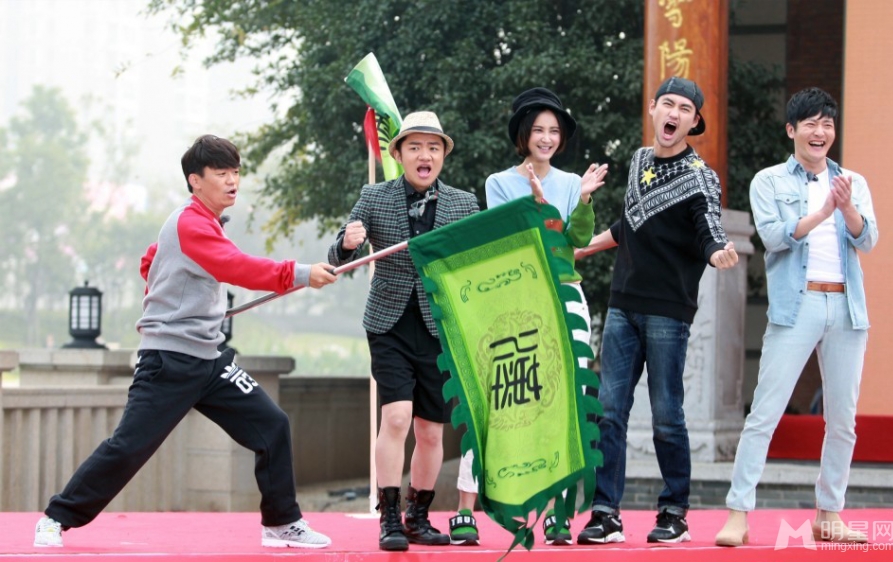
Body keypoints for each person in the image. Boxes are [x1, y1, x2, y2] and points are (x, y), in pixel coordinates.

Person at [33, 135, 337, 549]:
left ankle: (282, 523)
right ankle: (55, 517)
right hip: (169, 361)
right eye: (221, 173)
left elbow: (150, 260)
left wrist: (180, 294)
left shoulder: (203, 224)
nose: (232, 181)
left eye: (236, 172)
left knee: (272, 425)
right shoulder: (190, 223)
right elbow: (235, 266)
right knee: (128, 448)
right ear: (195, 180)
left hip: (209, 360)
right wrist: (300, 274)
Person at [574, 77, 739, 545]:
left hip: (669, 310)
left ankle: (674, 513)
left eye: (685, 108)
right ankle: (605, 513)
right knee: (609, 410)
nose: (674, 113)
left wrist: (718, 251)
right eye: (668, 104)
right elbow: (630, 223)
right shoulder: (639, 162)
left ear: (694, 121)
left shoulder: (701, 176)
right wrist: (585, 248)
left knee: (667, 414)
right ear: (653, 109)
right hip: (622, 305)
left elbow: (708, 228)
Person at [715, 87, 877, 547]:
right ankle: (738, 514)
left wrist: (847, 209)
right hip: (796, 306)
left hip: (846, 307)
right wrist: (823, 211)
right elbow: (772, 236)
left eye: (827, 124)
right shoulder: (769, 181)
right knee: (764, 413)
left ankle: (830, 514)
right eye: (810, 123)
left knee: (842, 420)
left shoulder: (853, 182)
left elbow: (868, 240)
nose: (819, 132)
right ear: (792, 130)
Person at [450, 87, 607, 547]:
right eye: (538, 129)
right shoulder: (499, 183)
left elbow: (576, 241)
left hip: (566, 297)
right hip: (516, 300)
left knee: (566, 404)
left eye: (554, 131)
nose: (546, 138)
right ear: (523, 134)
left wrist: (584, 202)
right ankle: (465, 510)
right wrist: (539, 210)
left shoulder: (572, 182)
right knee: (500, 400)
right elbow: (512, 242)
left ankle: (559, 512)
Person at [327, 111, 480, 552]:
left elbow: (477, 263)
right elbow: (338, 256)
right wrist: (347, 242)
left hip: (439, 327)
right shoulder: (374, 197)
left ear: (443, 156)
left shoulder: (464, 204)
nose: (424, 155)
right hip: (388, 323)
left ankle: (417, 515)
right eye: (414, 147)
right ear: (399, 154)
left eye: (433, 147)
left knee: (431, 431)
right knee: (396, 418)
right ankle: (389, 515)